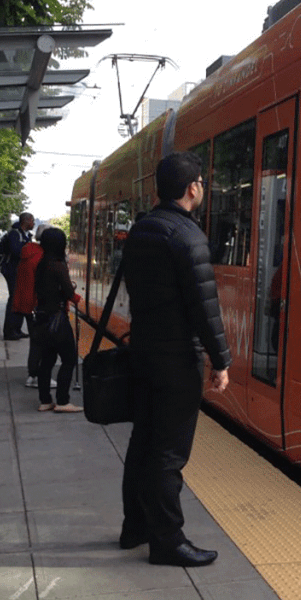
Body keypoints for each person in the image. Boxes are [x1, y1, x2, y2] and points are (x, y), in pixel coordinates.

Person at [120, 152, 231, 568]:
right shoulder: (188, 236)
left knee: (142, 443)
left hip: (144, 353)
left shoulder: (142, 230)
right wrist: (220, 361)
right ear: (193, 188)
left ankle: (134, 527)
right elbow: (205, 307)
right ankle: (167, 540)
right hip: (176, 359)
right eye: (201, 182)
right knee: (169, 455)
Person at [32, 227, 82, 413]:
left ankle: (45, 400)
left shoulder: (42, 263)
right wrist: (75, 297)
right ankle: (62, 400)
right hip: (57, 320)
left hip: (42, 319)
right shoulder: (58, 265)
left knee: (47, 361)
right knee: (69, 359)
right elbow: (69, 292)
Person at [13, 224, 56, 390]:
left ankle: (33, 375)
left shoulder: (28, 252)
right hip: (38, 305)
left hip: (27, 304)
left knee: (36, 342)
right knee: (43, 343)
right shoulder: (42, 257)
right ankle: (38, 376)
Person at [0, 212, 34, 340]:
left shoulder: (25, 235)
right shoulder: (15, 234)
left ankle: (17, 328)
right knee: (14, 299)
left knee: (19, 298)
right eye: (32, 221)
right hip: (12, 270)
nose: (33, 224)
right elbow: (16, 251)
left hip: (20, 271)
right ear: (27, 221)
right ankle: (9, 331)